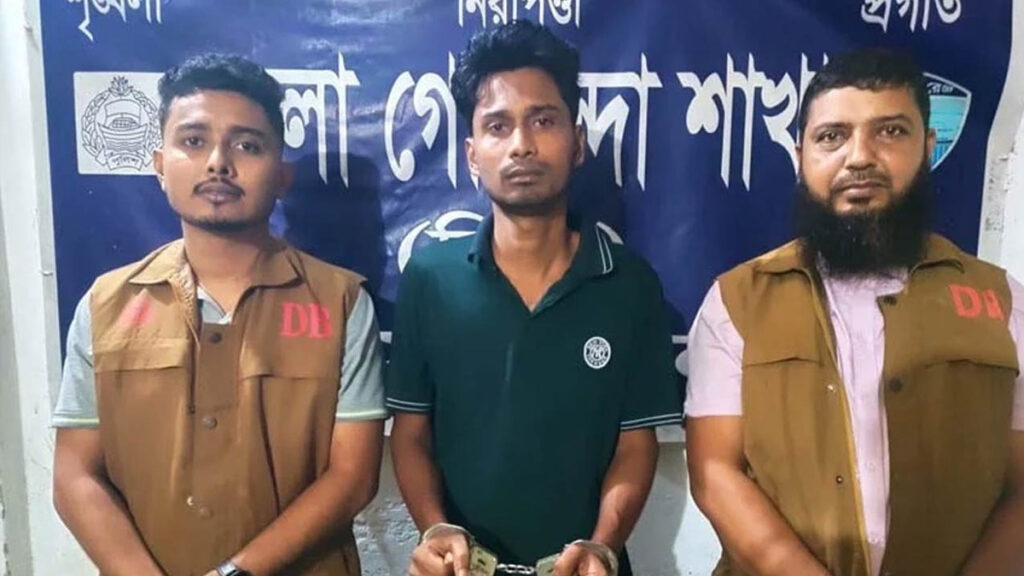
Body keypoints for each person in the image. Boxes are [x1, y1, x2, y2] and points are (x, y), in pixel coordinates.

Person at [686, 47, 1024, 576]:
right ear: (800, 155)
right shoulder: (737, 301)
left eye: (890, 132)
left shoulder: (1003, 302)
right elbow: (715, 474)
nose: (859, 157)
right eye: (832, 136)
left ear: (928, 147)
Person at [52, 53, 387, 576]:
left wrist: (234, 574)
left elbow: (353, 477)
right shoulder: (106, 304)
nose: (218, 163)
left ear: (282, 175)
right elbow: (74, 476)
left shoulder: (341, 303)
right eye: (193, 141)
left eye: (247, 145)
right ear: (159, 164)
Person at [386, 20, 682, 576]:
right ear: (472, 154)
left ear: (578, 142)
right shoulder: (430, 278)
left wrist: (603, 545)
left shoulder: (629, 283)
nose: (521, 144)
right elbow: (411, 434)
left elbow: (635, 444)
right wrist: (435, 527)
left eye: (543, 120)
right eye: (497, 126)